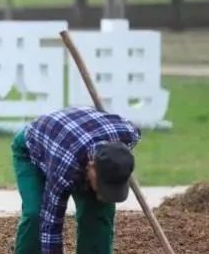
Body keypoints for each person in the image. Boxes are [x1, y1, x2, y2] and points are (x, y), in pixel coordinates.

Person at [11, 106, 141, 254]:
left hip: (77, 133)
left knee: (98, 214)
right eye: (102, 185)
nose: (102, 193)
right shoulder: (64, 171)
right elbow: (51, 227)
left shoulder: (130, 134)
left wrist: (119, 163)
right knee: (37, 215)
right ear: (91, 167)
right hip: (33, 148)